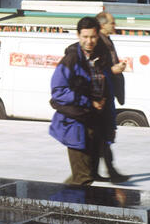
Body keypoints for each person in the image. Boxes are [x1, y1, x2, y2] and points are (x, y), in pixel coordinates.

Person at [49, 17, 116, 186]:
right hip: (76, 124)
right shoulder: (71, 60)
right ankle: (63, 208)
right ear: (78, 35)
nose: (89, 41)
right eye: (85, 37)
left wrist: (111, 122)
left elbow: (108, 90)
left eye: (93, 37)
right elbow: (58, 92)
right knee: (84, 179)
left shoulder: (102, 58)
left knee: (86, 176)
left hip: (96, 123)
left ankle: (59, 203)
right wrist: (88, 102)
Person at [93, 11, 130, 183]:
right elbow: (94, 69)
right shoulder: (97, 41)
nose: (115, 26)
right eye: (112, 23)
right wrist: (112, 70)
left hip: (108, 92)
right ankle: (110, 171)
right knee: (104, 133)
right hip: (101, 95)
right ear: (102, 25)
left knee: (103, 134)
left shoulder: (107, 40)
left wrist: (116, 67)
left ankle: (96, 172)